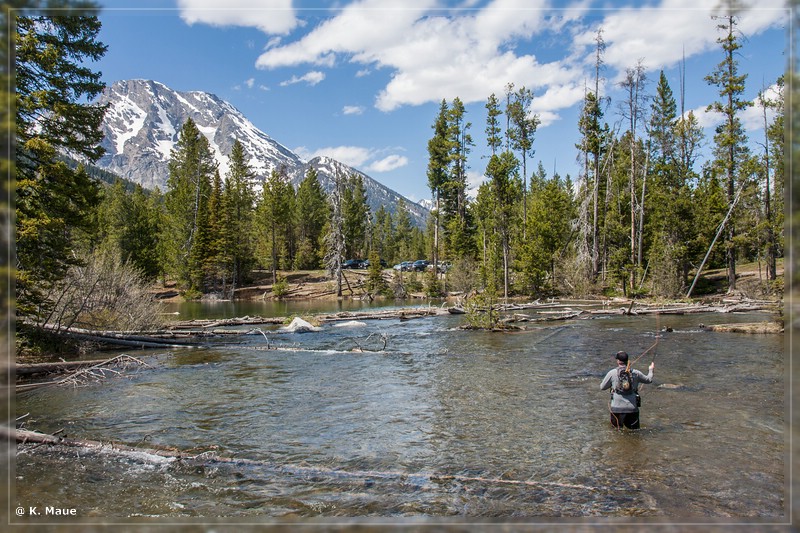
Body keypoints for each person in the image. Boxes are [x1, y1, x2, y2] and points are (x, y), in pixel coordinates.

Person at [600, 351, 654, 429]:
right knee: (634, 433)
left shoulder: (612, 373)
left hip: (616, 409)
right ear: (628, 360)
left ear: (618, 361)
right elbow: (649, 380)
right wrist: (651, 370)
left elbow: (602, 387)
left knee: (616, 433)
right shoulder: (636, 373)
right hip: (632, 408)